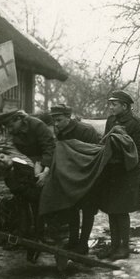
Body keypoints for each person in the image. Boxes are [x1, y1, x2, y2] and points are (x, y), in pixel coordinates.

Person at [96, 90, 140, 260]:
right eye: (110, 104)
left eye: (114, 104)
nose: (110, 107)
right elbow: (105, 142)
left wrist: (126, 168)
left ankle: (124, 247)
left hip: (126, 174)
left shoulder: (138, 126)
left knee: (121, 211)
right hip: (110, 173)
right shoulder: (111, 120)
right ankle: (114, 245)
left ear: (125, 106)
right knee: (111, 210)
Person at [50, 104, 101, 254]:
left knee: (87, 210)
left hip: (87, 175)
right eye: (54, 120)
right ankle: (73, 240)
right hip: (70, 177)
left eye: (59, 120)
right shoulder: (60, 132)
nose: (56, 124)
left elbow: (93, 153)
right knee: (71, 208)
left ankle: (83, 243)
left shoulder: (86, 130)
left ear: (68, 117)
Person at [0, 150, 43, 263]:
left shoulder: (20, 164)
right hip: (27, 201)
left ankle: (36, 242)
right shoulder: (10, 178)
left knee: (36, 223)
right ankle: (33, 247)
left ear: (9, 156)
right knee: (29, 223)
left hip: (36, 195)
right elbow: (24, 189)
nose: (2, 161)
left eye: (2, 157)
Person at [0, 110, 56, 187]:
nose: (10, 130)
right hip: (29, 162)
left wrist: (46, 171)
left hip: (47, 160)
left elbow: (49, 148)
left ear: (19, 119)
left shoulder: (37, 125)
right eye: (8, 127)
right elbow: (12, 151)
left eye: (11, 126)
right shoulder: (12, 133)